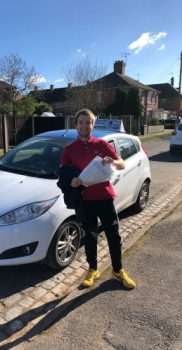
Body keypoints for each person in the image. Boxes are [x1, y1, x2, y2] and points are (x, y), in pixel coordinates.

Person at [59, 108, 136, 289]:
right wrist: (72, 180)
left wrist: (112, 162)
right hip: (84, 200)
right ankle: (93, 269)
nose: (84, 126)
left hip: (104, 197)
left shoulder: (101, 145)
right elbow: (63, 173)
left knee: (113, 235)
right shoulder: (69, 149)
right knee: (90, 236)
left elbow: (121, 163)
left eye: (88, 123)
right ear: (76, 125)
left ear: (93, 124)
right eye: (81, 123)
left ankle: (118, 270)